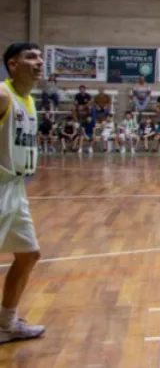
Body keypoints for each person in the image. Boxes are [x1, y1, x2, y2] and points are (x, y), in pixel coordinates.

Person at [0, 42, 45, 345]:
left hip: (15, 188)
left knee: (28, 254)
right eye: (31, 57)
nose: (39, 61)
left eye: (41, 56)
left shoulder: (27, 100)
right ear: (13, 65)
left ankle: (6, 324)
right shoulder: (3, 96)